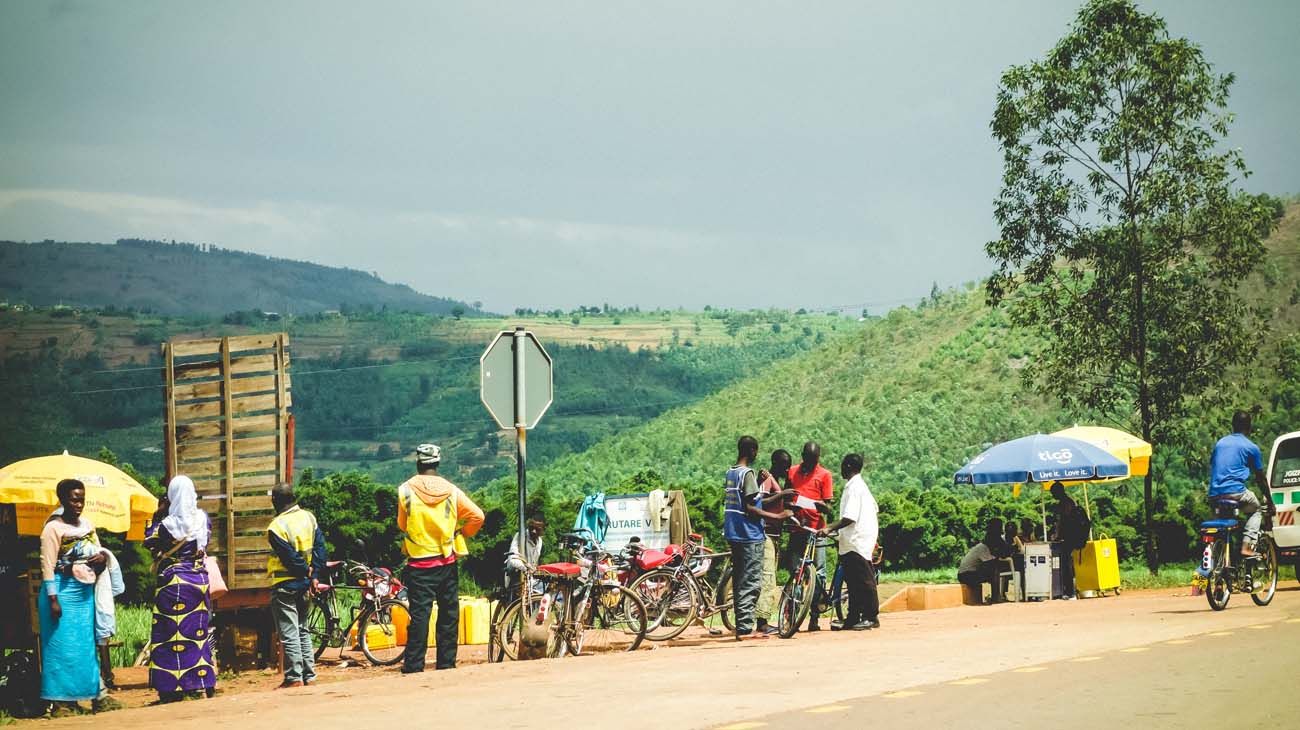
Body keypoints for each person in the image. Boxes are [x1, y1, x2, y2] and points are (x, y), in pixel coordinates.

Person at [397, 443, 484, 673]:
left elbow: (401, 524)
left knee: (420, 616)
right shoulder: (452, 491)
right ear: (437, 463)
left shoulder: (405, 490)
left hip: (419, 564)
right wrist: (462, 532)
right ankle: (446, 663)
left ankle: (414, 665)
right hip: (446, 561)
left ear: (418, 463)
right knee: (449, 614)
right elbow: (478, 516)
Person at [38, 479, 117, 716]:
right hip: (61, 595)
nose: (79, 504)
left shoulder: (88, 525)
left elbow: (100, 551)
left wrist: (103, 558)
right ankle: (63, 703)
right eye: (74, 499)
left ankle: (97, 696)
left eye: (82, 499)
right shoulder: (52, 528)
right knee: (60, 648)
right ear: (62, 500)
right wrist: (53, 599)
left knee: (84, 648)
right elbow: (47, 565)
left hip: (84, 595)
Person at [144, 476, 218, 702]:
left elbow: (148, 540)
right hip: (199, 580)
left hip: (174, 583)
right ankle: (199, 683)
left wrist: (159, 512)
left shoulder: (167, 525)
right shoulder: (203, 518)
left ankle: (170, 688)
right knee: (197, 633)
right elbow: (207, 540)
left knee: (169, 634)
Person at [725, 436, 792, 640]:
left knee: (739, 580)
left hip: (733, 532)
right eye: (756, 451)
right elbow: (751, 507)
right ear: (752, 450)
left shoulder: (731, 472)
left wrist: (760, 483)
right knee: (751, 582)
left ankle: (741, 625)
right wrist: (778, 516)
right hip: (749, 534)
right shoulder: (747, 473)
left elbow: (742, 499)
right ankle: (745, 629)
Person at [266, 482, 327, 688]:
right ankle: (309, 675)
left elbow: (289, 557)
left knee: (290, 633)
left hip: (284, 584)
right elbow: (320, 548)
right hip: (305, 584)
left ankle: (294, 677)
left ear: (275, 501)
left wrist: (306, 571)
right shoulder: (309, 518)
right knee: (303, 630)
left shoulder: (276, 526)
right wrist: (314, 574)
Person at [818, 453, 880, 631]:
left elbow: (850, 517)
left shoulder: (855, 487)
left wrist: (829, 528)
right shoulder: (857, 486)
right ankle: (853, 617)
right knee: (853, 581)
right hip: (853, 539)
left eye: (843, 465)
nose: (841, 468)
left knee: (864, 580)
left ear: (848, 466)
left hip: (857, 540)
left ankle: (871, 616)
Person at [1208, 410, 1275, 557]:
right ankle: (1246, 547)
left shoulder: (1220, 443)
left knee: (1222, 527)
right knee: (1256, 509)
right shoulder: (1251, 447)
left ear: (1232, 426)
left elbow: (1213, 465)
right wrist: (1270, 501)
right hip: (1236, 493)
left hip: (1214, 495)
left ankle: (1221, 560)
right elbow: (1260, 479)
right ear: (1249, 427)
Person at [784, 441, 834, 631]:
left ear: (818, 458)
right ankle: (792, 616)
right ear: (802, 456)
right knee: (796, 572)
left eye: (814, 460)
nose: (810, 462)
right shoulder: (793, 472)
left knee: (819, 572)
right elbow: (786, 497)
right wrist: (789, 510)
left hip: (816, 531)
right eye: (807, 458)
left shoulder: (825, 475)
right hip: (797, 529)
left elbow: (828, 507)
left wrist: (821, 506)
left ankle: (814, 616)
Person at [754, 449, 795, 635]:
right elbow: (759, 502)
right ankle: (762, 622)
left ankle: (762, 619)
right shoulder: (767, 479)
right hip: (766, 533)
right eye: (784, 466)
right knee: (768, 578)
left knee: (770, 576)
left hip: (774, 535)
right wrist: (781, 494)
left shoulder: (776, 480)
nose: (787, 471)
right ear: (775, 463)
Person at [1049, 482, 1088, 600]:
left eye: (1053, 493)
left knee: (1066, 564)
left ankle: (1070, 592)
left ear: (1058, 491)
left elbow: (1063, 522)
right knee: (1066, 564)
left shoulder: (1065, 503)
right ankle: (1067, 590)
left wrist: (1058, 535)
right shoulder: (1069, 501)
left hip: (1069, 538)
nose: (1052, 495)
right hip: (1070, 537)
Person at [957, 518, 1007, 605]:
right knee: (994, 571)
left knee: (994, 569)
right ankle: (996, 597)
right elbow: (990, 564)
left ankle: (995, 596)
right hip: (966, 575)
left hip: (967, 574)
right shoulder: (983, 548)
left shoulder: (984, 547)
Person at [504, 513, 545, 596]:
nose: (533, 531)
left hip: (531, 579)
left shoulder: (539, 541)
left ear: (542, 530)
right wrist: (526, 568)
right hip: (516, 577)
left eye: (537, 529)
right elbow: (512, 558)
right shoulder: (520, 536)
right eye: (531, 528)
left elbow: (535, 563)